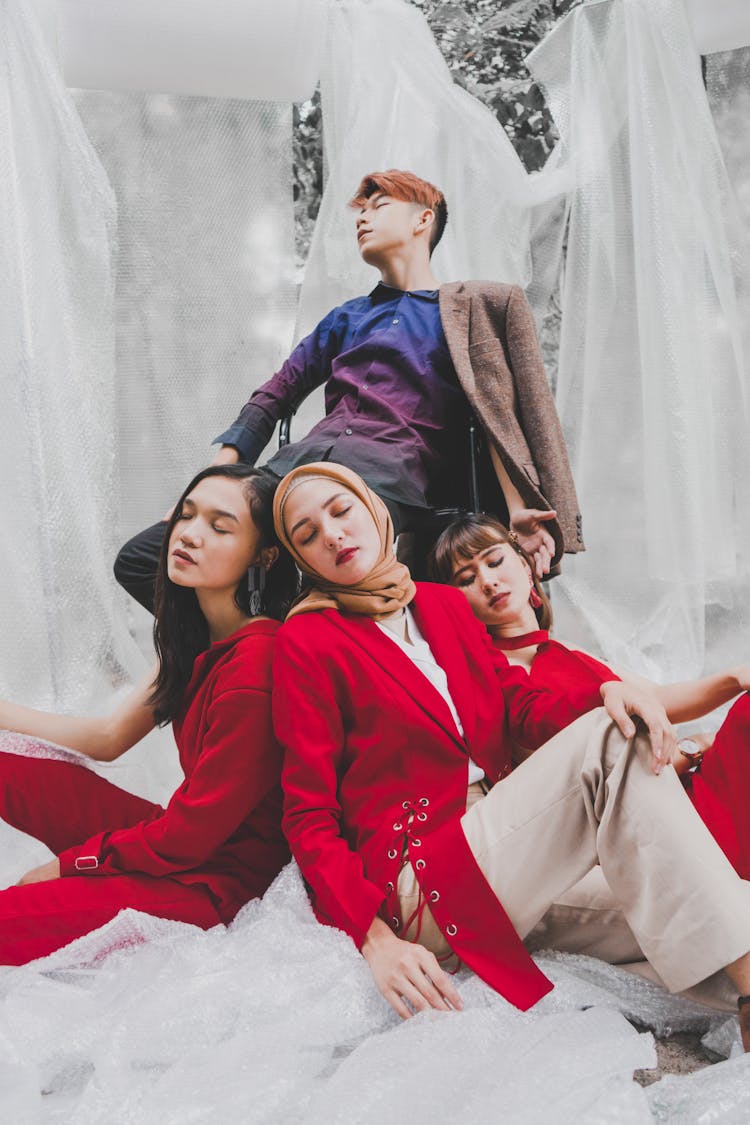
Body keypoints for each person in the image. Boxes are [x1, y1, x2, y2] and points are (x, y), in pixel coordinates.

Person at [270, 461, 750, 1049]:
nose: (333, 535)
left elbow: (519, 706)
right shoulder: (308, 639)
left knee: (703, 902)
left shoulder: (444, 607)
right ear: (301, 560)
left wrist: (606, 688)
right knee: (609, 737)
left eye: (340, 512)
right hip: (420, 881)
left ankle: (744, 990)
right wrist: (377, 941)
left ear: (372, 508)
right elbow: (307, 814)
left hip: (507, 852)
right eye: (308, 534)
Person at [114, 169, 583, 613]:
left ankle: (288, 657)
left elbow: (497, 414)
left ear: (424, 218)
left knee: (326, 584)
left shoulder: (476, 306)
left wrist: (522, 508)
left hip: (383, 481)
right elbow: (275, 393)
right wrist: (212, 483)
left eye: (378, 206)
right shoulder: (347, 317)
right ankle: (252, 651)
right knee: (143, 558)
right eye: (360, 211)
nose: (362, 218)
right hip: (292, 470)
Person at [0, 464, 298, 965]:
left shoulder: (256, 664)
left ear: (264, 555)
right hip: (182, 847)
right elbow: (107, 736)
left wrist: (74, 865)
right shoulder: (200, 642)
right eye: (185, 516)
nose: (189, 535)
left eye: (219, 527)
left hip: (217, 884)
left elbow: (191, 836)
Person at [430, 512, 750, 875]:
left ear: (523, 564)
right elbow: (588, 783)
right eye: (467, 579)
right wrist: (693, 751)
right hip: (648, 816)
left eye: (495, 561)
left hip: (681, 788)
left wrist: (734, 677)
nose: (488, 581)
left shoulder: (561, 648)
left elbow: (658, 699)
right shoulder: (498, 675)